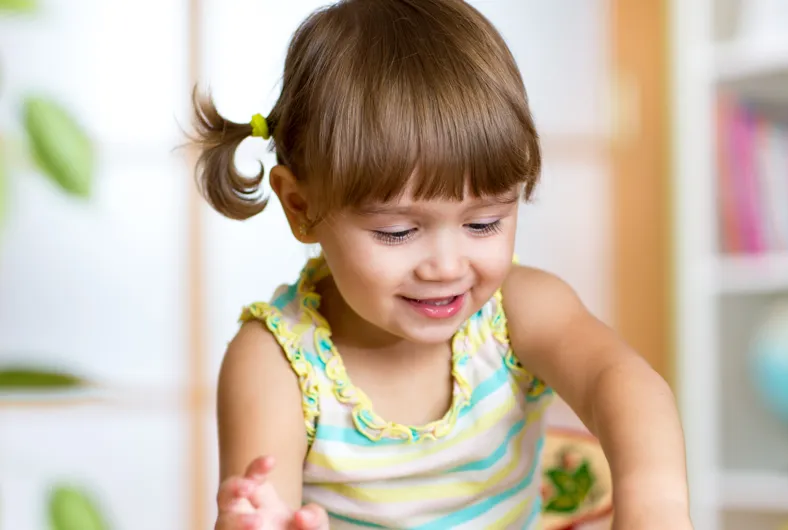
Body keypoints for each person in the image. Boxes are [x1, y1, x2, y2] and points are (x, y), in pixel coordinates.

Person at [191, 1, 692, 528]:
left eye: (483, 224)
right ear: (301, 207)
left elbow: (625, 384)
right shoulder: (276, 364)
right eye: (398, 231)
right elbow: (262, 508)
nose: (447, 266)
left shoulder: (518, 310)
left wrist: (654, 503)